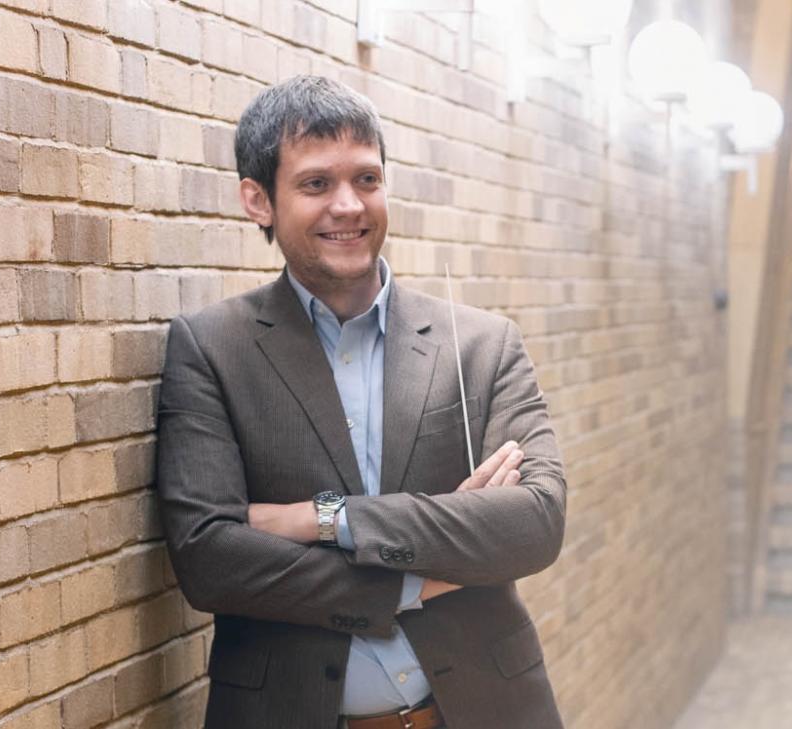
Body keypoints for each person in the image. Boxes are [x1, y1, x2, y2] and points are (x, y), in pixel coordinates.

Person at [154, 75, 567, 729]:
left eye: (367, 180)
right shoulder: (210, 350)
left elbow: (534, 523)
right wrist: (416, 580)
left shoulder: (482, 346)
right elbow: (211, 559)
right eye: (316, 184)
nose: (348, 205)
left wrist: (321, 519)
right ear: (258, 200)